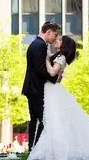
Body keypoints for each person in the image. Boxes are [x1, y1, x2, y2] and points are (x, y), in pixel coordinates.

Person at [22, 21, 61, 152]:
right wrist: (54, 78)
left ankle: (33, 151)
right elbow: (39, 69)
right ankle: (35, 152)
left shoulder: (35, 44)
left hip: (31, 87)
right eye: (55, 35)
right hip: (36, 89)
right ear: (48, 32)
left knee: (35, 121)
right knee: (43, 121)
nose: (55, 38)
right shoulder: (40, 46)